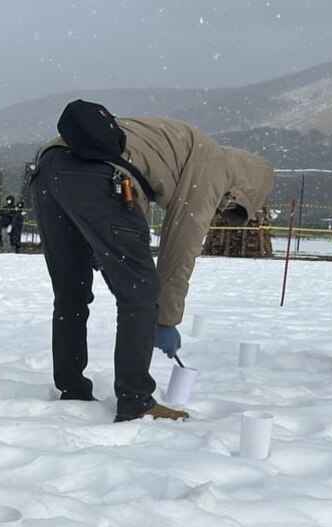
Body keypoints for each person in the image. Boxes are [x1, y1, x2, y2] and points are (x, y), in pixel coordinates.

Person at [32, 100, 274, 420]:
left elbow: (130, 207)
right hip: (101, 175)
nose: (221, 210)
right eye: (228, 207)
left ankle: (72, 387)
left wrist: (105, 251)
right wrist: (165, 319)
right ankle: (136, 400)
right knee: (141, 294)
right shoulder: (214, 166)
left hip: (49, 169)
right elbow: (180, 247)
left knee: (71, 293)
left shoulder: (179, 143)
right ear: (244, 187)